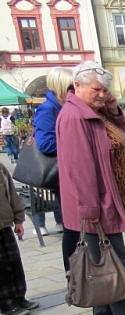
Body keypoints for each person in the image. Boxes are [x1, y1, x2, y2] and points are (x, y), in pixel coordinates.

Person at [56, 61, 125, 315]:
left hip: (100, 197)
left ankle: (103, 309)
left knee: (98, 255)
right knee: (113, 255)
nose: (102, 94)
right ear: (77, 85)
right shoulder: (75, 117)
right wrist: (90, 207)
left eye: (105, 90)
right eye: (97, 89)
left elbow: (116, 134)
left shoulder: (91, 111)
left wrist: (113, 109)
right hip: (96, 200)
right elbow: (79, 168)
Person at [31, 66, 73, 234]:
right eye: (71, 86)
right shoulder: (48, 109)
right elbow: (45, 144)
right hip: (56, 170)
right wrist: (74, 144)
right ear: (60, 86)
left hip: (65, 171)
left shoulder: (62, 107)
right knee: (71, 229)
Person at [1, 163, 39, 315]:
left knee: (14, 263)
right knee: (1, 269)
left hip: (5, 225)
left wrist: (18, 220)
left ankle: (19, 296)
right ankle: (6, 303)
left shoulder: (1, 168)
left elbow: (11, 194)